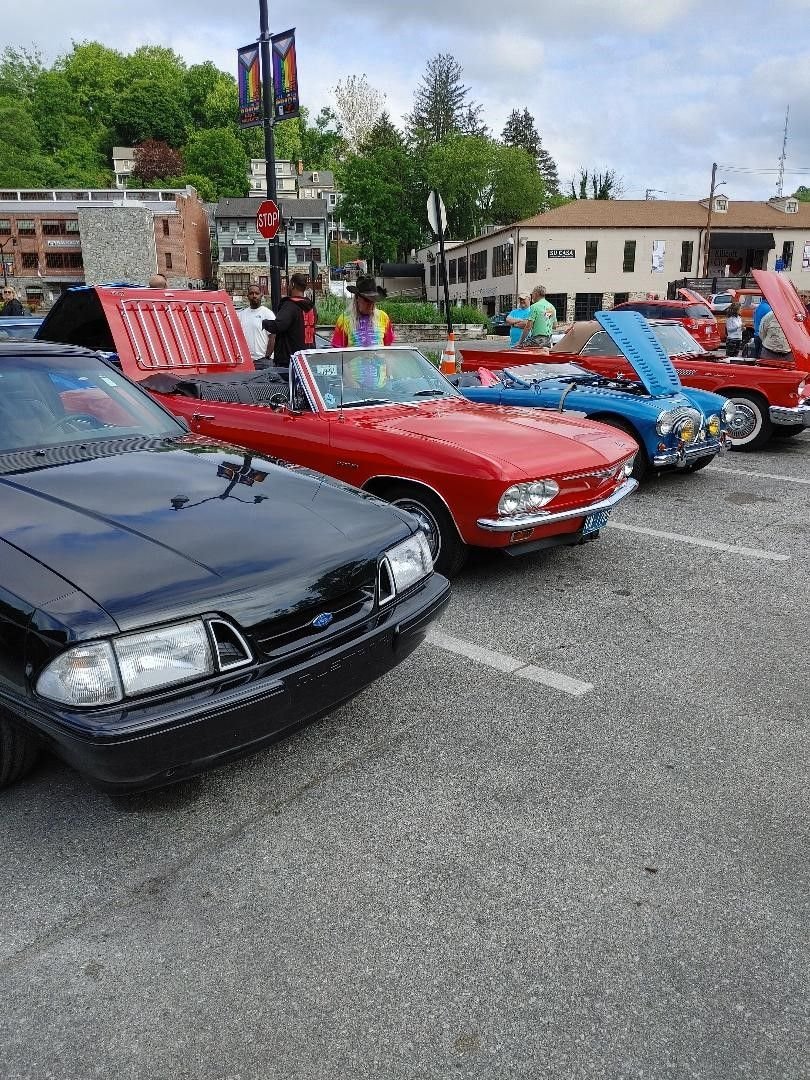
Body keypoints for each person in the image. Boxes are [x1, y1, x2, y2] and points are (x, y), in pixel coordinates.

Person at [264, 273, 316, 368]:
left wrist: (265, 322)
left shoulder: (290, 305)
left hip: (290, 361)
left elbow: (278, 326)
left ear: (292, 285)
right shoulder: (312, 307)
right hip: (308, 358)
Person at [331, 276, 394, 347]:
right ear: (357, 298)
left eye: (373, 300)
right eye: (366, 300)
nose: (371, 304)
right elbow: (338, 349)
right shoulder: (344, 320)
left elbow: (387, 347)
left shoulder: (383, 317)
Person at [237, 283, 275, 368]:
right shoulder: (241, 314)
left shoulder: (267, 314)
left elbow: (273, 337)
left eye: (257, 293)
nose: (254, 296)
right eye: (251, 293)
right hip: (246, 361)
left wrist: (267, 357)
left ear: (261, 295)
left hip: (263, 361)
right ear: (247, 296)